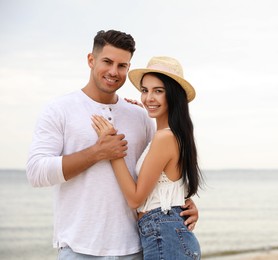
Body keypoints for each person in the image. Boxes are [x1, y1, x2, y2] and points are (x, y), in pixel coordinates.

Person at [26, 30, 199, 259]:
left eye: (122, 65)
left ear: (128, 68)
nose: (113, 72)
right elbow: (36, 172)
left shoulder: (140, 116)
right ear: (91, 60)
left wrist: (183, 204)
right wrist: (96, 153)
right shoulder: (60, 109)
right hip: (79, 248)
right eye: (107, 62)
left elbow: (162, 170)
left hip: (135, 246)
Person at [91, 56, 202, 259]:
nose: (148, 98)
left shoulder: (165, 138)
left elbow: (135, 199)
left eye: (158, 91)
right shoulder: (173, 134)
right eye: (145, 90)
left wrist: (112, 149)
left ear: (174, 95)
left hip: (165, 235)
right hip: (168, 234)